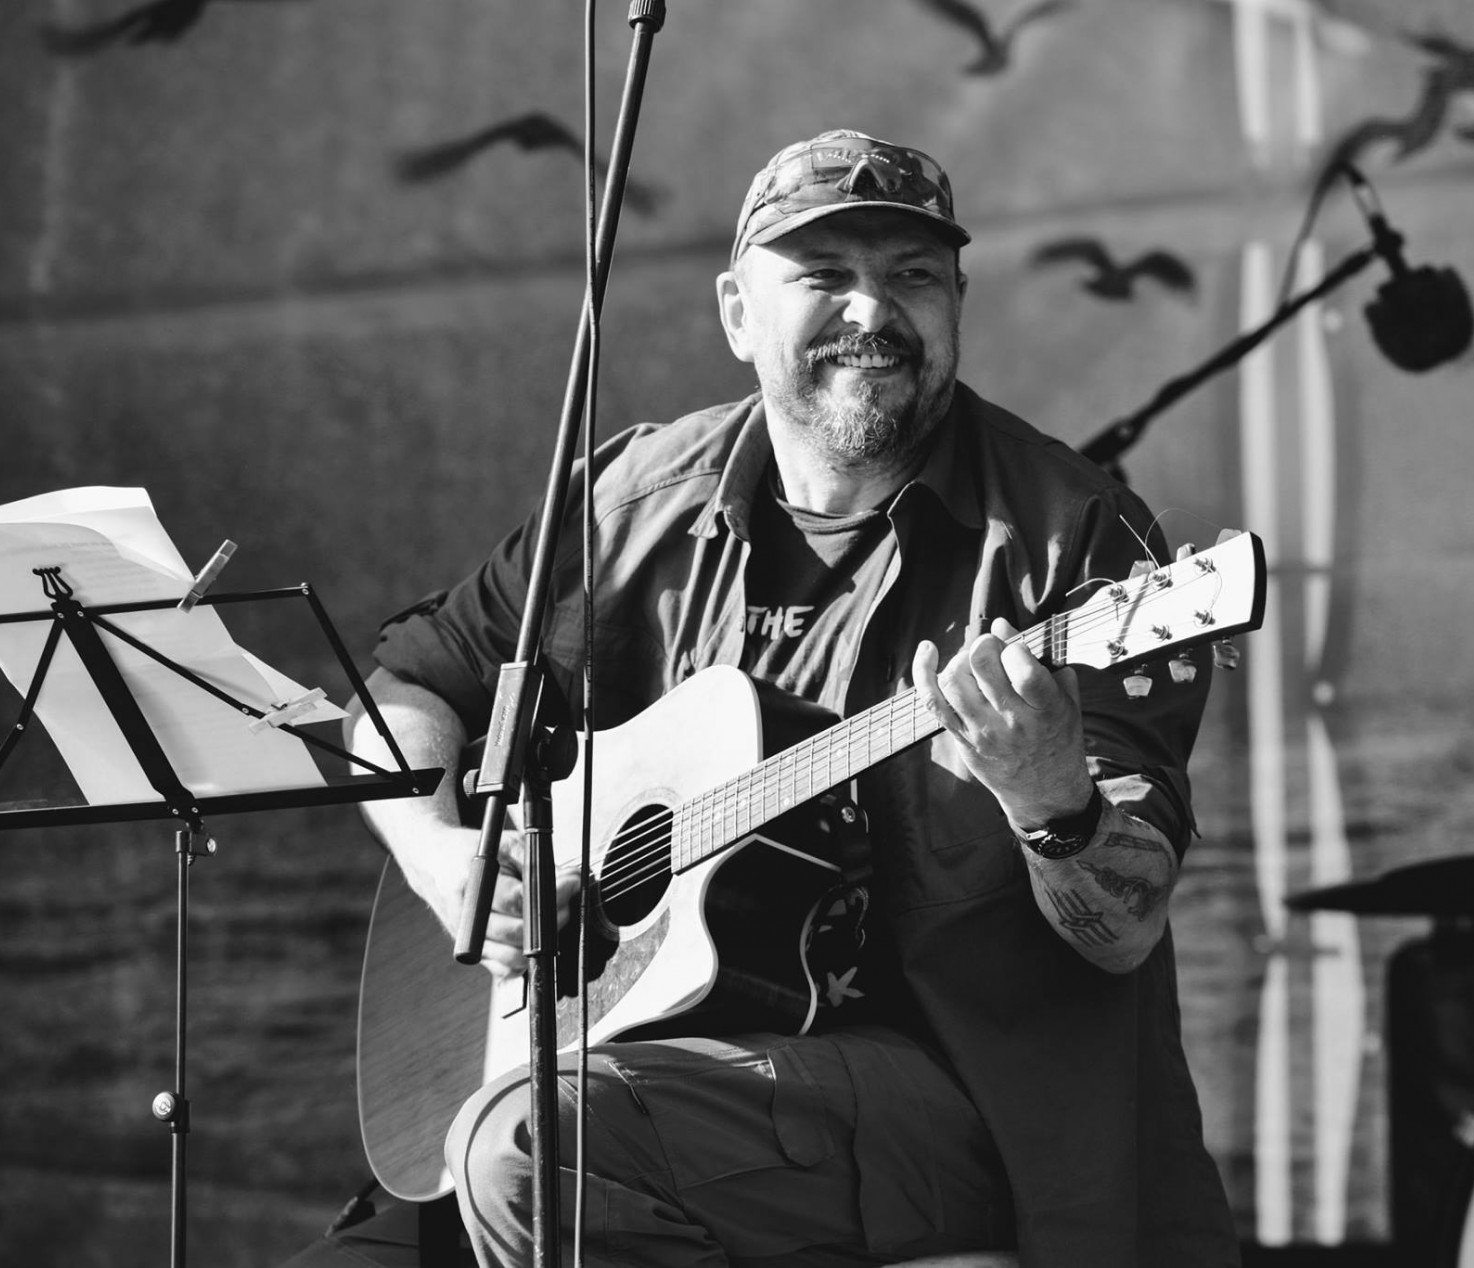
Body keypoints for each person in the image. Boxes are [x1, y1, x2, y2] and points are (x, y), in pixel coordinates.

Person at [321, 129, 1240, 1267]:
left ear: (958, 302)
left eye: (913, 275)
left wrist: (1053, 798)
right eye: (824, 275)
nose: (873, 311)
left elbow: (1126, 923)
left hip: (967, 1101)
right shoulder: (630, 504)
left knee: (530, 1145)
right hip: (663, 1066)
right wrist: (441, 855)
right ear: (736, 314)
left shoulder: (1079, 544)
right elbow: (407, 685)